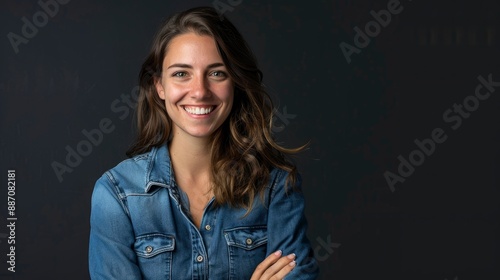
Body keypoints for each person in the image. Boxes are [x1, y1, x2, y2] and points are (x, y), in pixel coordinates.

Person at [89, 6, 319, 280]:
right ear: (159, 86)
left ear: (236, 82)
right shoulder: (117, 195)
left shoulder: (276, 188)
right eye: (181, 74)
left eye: (217, 73)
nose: (199, 91)